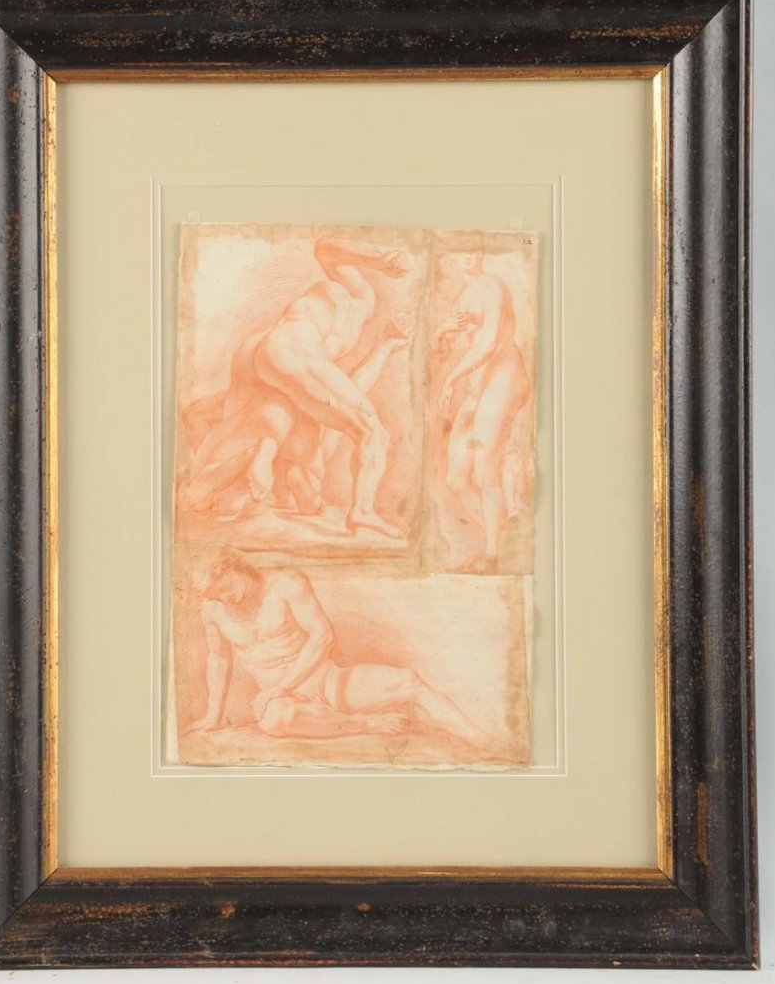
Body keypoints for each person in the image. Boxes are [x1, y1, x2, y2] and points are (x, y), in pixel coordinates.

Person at [178, 237, 412, 538]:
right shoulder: (359, 296)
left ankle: (228, 480)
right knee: (373, 432)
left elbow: (347, 391)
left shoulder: (329, 321)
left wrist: (386, 345)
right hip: (288, 350)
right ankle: (363, 512)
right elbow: (325, 248)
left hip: (257, 354)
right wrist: (380, 258)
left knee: (226, 418)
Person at [186, 552, 494, 752]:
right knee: (277, 719)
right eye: (216, 596)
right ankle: (363, 723)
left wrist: (284, 684)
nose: (226, 599)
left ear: (233, 567)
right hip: (284, 701)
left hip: (327, 681)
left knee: (408, 681)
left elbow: (322, 636)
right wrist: (214, 714)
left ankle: (484, 741)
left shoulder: (286, 583)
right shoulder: (213, 610)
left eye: (225, 588)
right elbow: (219, 659)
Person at [435, 249, 531, 572]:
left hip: (504, 376)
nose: (468, 257)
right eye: (461, 250)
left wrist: (451, 379)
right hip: (479, 383)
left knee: (485, 470)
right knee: (456, 478)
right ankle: (500, 542)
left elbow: (488, 343)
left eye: (474, 250)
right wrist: (442, 330)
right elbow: (444, 349)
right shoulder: (462, 298)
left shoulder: (492, 286)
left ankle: (491, 554)